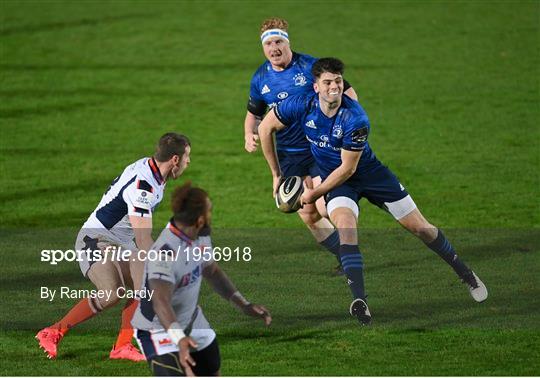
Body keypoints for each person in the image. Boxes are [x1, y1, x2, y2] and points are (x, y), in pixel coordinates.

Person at [258, 58, 488, 325]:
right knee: (345, 227)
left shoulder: (355, 118)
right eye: (328, 82)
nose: (334, 87)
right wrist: (276, 174)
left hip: (369, 175)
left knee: (420, 228)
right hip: (339, 183)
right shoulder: (302, 103)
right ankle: (360, 301)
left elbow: (347, 169)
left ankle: (466, 274)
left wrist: (312, 193)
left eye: (338, 82)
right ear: (316, 86)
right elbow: (265, 128)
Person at [36, 133, 191, 360]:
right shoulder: (143, 187)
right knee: (111, 293)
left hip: (121, 242)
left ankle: (121, 347)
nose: (189, 163)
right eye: (187, 157)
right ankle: (53, 332)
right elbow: (143, 238)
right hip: (96, 239)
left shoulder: (154, 170)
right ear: (175, 159)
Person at [245, 17, 359, 275]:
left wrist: (348, 125)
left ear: (288, 42)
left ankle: (352, 255)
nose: (274, 48)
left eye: (278, 42)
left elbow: (349, 93)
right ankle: (346, 257)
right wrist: (247, 133)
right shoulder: (260, 77)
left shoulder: (310, 66)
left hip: (317, 145)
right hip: (288, 154)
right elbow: (254, 112)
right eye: (268, 44)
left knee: (323, 205)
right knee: (307, 214)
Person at [132, 182, 272, 376]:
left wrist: (243, 305)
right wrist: (179, 339)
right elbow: (160, 302)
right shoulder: (165, 253)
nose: (211, 216)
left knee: (212, 371)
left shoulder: (200, 236)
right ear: (199, 220)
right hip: (158, 330)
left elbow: (212, 271)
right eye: (209, 212)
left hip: (192, 321)